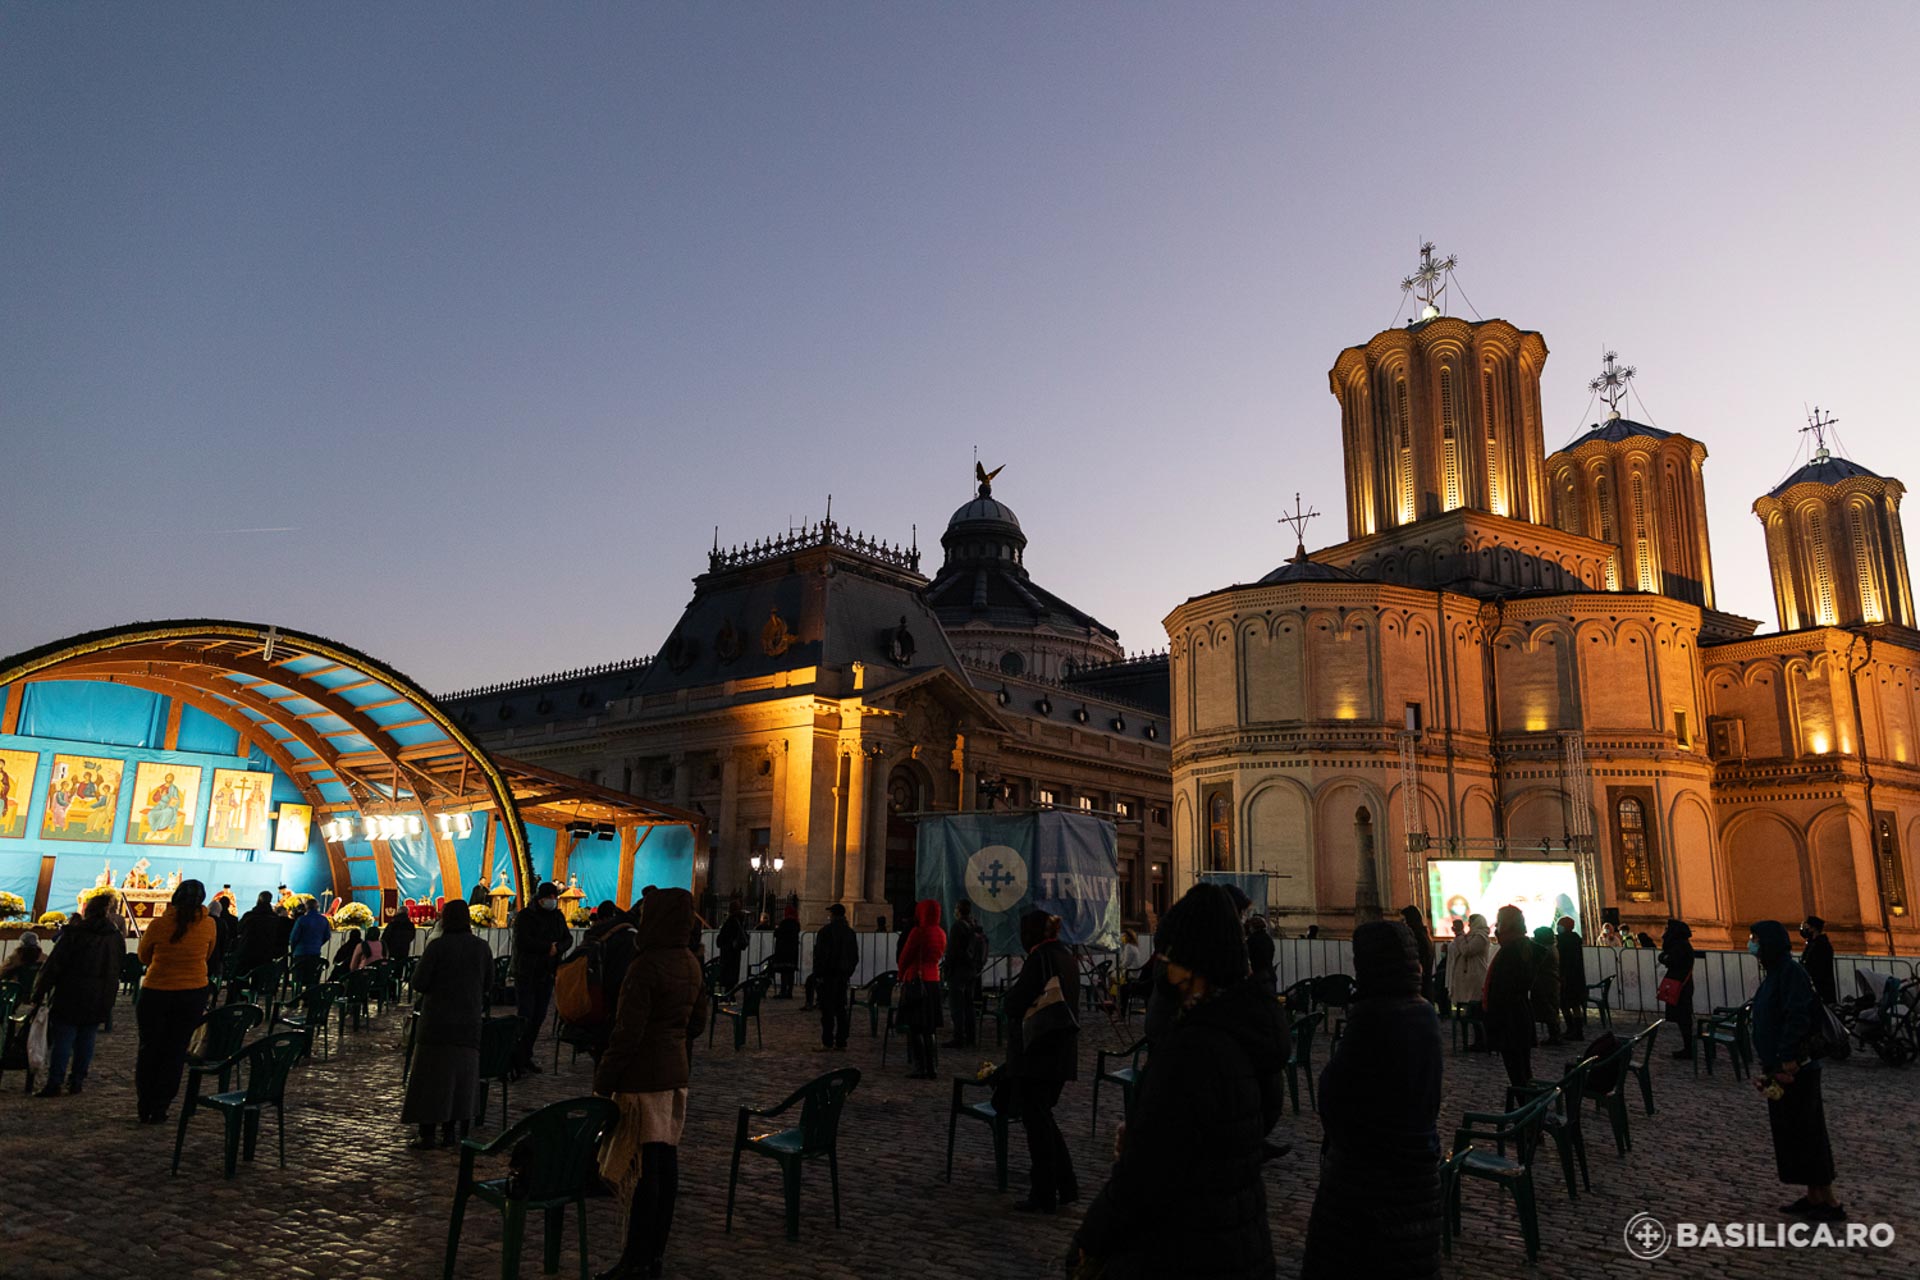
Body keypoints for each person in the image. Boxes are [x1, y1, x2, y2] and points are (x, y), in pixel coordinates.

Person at [1071, 884, 1286, 1276]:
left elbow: (1144, 1175)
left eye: (1171, 956)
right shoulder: (1248, 1028)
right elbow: (1257, 1121)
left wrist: (1090, 1237)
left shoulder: (1192, 1049)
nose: (1164, 967)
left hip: (1184, 1246)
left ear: (1193, 964)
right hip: (1239, 1240)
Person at [1301, 919, 1444, 1279]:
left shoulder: (1374, 1017)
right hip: (1418, 1180)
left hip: (1365, 1187)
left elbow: (1335, 1096)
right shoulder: (1423, 1010)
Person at [593, 887, 709, 1280]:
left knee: (643, 1171)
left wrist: (604, 1079)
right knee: (665, 1163)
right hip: (675, 1075)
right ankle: (654, 1254)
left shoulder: (645, 966)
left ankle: (635, 1257)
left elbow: (627, 1033)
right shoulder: (692, 963)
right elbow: (697, 1023)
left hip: (642, 1078)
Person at [1749, 919, 1844, 1222]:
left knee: (1809, 1133)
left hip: (1796, 1068)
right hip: (1779, 1066)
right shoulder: (1778, 972)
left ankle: (1829, 1201)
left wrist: (1786, 1057)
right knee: (1793, 1134)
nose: (1752, 945)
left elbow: (1798, 1016)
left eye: (1755, 940)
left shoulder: (1790, 972)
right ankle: (1813, 1195)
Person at [1003, 910, 1079, 1214]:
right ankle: (1067, 1184)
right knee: (1044, 1119)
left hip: (1038, 1053)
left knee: (1037, 1125)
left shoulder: (1040, 959)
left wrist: (1008, 1000)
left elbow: (1017, 1001)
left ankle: (1044, 1191)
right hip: (1060, 1052)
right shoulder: (1066, 956)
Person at [401, 899, 493, 1149]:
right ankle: (451, 1131)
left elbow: (419, 982)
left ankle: (427, 1132)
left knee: (431, 1079)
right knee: (459, 1081)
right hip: (468, 1025)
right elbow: (489, 984)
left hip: (437, 1024)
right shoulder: (482, 948)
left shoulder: (437, 947)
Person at [135, 879, 218, 1124]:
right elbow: (209, 954)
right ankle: (161, 1106)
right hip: (192, 993)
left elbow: (143, 956)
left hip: (156, 992)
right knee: (175, 1051)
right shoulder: (209, 925)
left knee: (149, 1049)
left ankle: (145, 1103)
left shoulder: (159, 924)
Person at [29, 895, 122, 1097]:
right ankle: (77, 1080)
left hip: (71, 990)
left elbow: (54, 965)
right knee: (87, 1038)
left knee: (63, 1038)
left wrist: (39, 991)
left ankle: (55, 1082)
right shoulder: (114, 937)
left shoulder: (74, 933)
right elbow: (118, 965)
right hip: (100, 993)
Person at [511, 881, 573, 1075]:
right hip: (527, 972)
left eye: (555, 898)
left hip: (547, 973)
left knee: (539, 1017)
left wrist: (558, 948)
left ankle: (526, 1054)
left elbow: (567, 938)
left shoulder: (557, 916)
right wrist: (548, 947)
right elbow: (523, 941)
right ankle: (515, 1056)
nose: (553, 901)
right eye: (550, 898)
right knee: (526, 1015)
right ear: (541, 898)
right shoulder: (526, 916)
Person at [1483, 905, 1535, 1087]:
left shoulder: (1513, 951)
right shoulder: (1519, 946)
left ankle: (1527, 1110)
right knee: (1520, 1070)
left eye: (1499, 923)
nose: (1496, 927)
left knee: (1518, 1072)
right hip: (1515, 1017)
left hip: (1511, 1020)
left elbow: (1505, 987)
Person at [896, 899, 947, 1078]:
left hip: (916, 979)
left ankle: (920, 1067)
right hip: (933, 980)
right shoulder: (941, 933)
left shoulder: (919, 932)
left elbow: (905, 956)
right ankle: (932, 1067)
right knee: (930, 1028)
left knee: (916, 1027)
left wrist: (901, 974)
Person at [812, 903, 859, 1050]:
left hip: (828, 975)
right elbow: (854, 956)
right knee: (841, 1009)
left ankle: (827, 1041)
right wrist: (848, 971)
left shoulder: (825, 931)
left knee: (827, 1010)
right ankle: (841, 1041)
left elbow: (820, 955)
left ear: (833, 915)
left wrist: (818, 974)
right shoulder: (850, 933)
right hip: (843, 975)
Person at [943, 899, 986, 1049]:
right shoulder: (974, 926)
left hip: (959, 971)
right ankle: (971, 1036)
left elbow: (953, 952)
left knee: (957, 1006)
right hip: (972, 970)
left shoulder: (958, 926)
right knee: (969, 1005)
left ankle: (958, 1036)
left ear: (959, 910)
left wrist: (947, 969)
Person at [1444, 913, 1491, 1050]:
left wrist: (1459, 935)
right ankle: (1477, 1041)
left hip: (1476, 978)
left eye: (1471, 922)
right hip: (1467, 980)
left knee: (1477, 1011)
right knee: (1470, 1011)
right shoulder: (1470, 936)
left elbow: (1467, 950)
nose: (1469, 925)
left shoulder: (1481, 937)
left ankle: (1482, 1041)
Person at [1659, 918, 1697, 1059]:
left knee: (1684, 1018)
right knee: (1682, 1018)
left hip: (1681, 986)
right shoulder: (1681, 945)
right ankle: (1687, 1047)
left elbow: (1669, 959)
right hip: (1680, 985)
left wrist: (1663, 957)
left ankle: (1688, 1049)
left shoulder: (1680, 947)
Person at [1528, 926, 1562, 1046]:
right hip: (1548, 982)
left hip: (1546, 982)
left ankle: (1555, 1036)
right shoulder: (1551, 948)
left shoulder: (1546, 950)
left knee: (1549, 1010)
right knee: (1550, 1009)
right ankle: (1554, 1035)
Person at [1556, 916, 1587, 1037]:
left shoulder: (1562, 940)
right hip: (1577, 976)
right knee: (1575, 1004)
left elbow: (1563, 959)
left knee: (1564, 1004)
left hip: (1566, 975)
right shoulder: (1576, 939)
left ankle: (1571, 1029)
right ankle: (1578, 1031)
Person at [289, 901, 331, 988]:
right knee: (312, 979)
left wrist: (293, 949)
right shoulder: (323, 920)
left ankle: (296, 996)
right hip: (315, 953)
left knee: (297, 979)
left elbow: (294, 937)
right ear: (318, 907)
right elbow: (327, 936)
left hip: (300, 953)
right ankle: (309, 999)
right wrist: (318, 944)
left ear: (306, 907)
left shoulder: (301, 920)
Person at [1399, 904, 1435, 1003]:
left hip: (1418, 985)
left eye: (1404, 921)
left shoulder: (1415, 936)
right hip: (1424, 983)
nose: (1403, 924)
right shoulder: (1424, 935)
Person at [1799, 916, 1837, 1006]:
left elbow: (1816, 968)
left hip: (1821, 990)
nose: (1804, 929)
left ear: (1813, 928)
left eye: (1807, 927)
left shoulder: (1821, 945)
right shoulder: (1812, 944)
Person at [715, 897, 749, 991]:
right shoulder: (740, 921)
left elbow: (723, 938)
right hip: (735, 951)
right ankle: (731, 994)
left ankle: (727, 995)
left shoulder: (730, 921)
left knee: (727, 972)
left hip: (728, 951)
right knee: (733, 972)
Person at [769, 905, 800, 998]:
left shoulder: (785, 922)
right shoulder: (796, 923)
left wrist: (777, 929)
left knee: (784, 972)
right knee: (790, 972)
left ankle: (783, 991)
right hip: (793, 950)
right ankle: (789, 991)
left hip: (783, 950)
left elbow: (777, 933)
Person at [1246, 915, 1277, 993]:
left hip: (1258, 975)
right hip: (1270, 974)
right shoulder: (1268, 939)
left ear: (1252, 927)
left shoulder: (1251, 940)